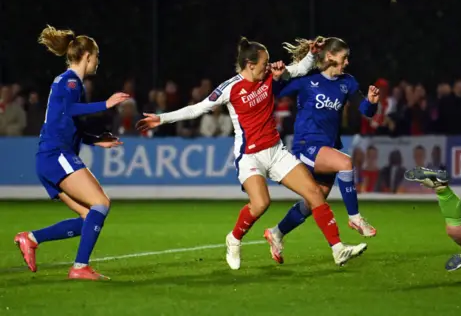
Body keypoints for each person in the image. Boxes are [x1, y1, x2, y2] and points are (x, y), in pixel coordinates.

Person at [136, 37, 367, 269]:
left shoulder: (268, 76)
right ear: (250, 64)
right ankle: (234, 238)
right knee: (261, 203)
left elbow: (300, 69)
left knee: (315, 194)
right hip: (250, 156)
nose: (268, 66)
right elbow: (198, 108)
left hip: (276, 152)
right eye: (264, 63)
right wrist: (162, 118)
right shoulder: (230, 88)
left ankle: (338, 249)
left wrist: (311, 54)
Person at [14, 25, 129, 280]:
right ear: (87, 55)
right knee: (101, 203)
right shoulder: (70, 81)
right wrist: (105, 104)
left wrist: (95, 140)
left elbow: (68, 121)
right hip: (56, 155)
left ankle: (30, 239)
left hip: (48, 158)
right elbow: (70, 110)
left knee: (89, 216)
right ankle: (79, 268)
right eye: (96, 56)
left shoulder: (68, 83)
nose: (97, 62)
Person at [263, 37, 379, 264]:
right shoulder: (308, 80)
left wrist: (372, 102)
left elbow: (366, 110)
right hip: (307, 145)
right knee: (345, 163)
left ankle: (276, 233)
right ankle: (355, 218)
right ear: (330, 56)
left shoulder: (348, 82)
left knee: (313, 202)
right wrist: (276, 79)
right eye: (344, 57)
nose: (347, 62)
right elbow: (276, 92)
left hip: (327, 147)